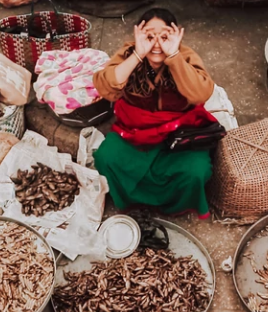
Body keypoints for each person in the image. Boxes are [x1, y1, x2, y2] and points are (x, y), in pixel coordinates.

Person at [92, 8, 216, 219]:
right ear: (138, 36)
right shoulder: (128, 53)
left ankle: (175, 207)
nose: (157, 44)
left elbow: (200, 94)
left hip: (178, 136)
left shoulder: (185, 56)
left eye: (165, 36)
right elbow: (106, 87)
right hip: (134, 133)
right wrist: (138, 55)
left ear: (176, 37)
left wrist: (174, 57)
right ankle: (133, 204)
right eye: (149, 36)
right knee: (106, 157)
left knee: (196, 170)